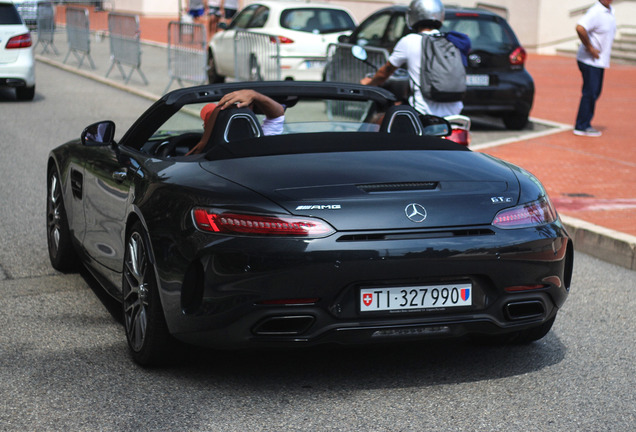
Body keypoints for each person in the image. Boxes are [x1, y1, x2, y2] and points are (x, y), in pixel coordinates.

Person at [361, 0, 470, 118]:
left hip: (422, 113)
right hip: (455, 113)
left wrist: (369, 83)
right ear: (440, 15)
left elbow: (385, 72)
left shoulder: (409, 41)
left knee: (380, 121)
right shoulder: (453, 41)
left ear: (413, 16)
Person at [186, 89, 285, 155]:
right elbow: (277, 116)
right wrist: (253, 95)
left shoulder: (199, 156)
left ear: (206, 126)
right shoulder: (265, 145)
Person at [573, 0, 616, 137]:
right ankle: (582, 125)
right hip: (590, 60)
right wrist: (590, 48)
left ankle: (584, 123)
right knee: (590, 92)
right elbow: (580, 27)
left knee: (595, 92)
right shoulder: (596, 11)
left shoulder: (609, 10)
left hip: (599, 61)